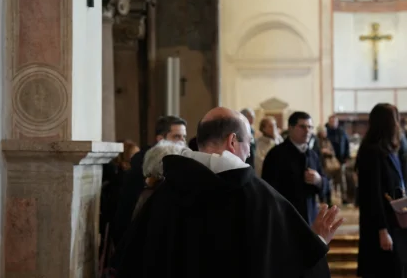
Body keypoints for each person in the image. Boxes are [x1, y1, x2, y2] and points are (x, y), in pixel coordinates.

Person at [112, 107, 344, 278]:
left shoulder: (165, 193)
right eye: (248, 143)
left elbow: (134, 261)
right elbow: (287, 267)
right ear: (233, 141)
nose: (248, 153)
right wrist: (317, 241)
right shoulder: (260, 198)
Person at [111, 116, 187, 245]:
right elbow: (127, 210)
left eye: (183, 137)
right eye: (176, 137)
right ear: (160, 139)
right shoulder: (141, 167)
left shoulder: (180, 164)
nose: (182, 142)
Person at [356, 103, 407, 278]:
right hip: (382, 226)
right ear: (387, 122)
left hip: (396, 222)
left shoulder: (389, 150)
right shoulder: (371, 152)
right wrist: (382, 230)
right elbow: (372, 195)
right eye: (395, 119)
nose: (398, 124)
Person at [262, 111, 327, 224]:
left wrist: (319, 180)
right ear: (290, 128)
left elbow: (326, 185)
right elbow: (268, 191)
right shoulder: (276, 154)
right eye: (302, 127)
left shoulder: (313, 155)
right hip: (285, 218)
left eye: (310, 127)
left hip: (310, 217)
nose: (307, 131)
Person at [325, 115, 350, 204]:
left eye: (334, 121)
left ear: (337, 122)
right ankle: (329, 199)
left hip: (341, 160)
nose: (333, 123)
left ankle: (344, 198)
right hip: (329, 161)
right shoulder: (325, 132)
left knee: (342, 180)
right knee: (329, 180)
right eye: (331, 121)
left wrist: (347, 157)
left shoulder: (342, 132)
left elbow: (347, 144)